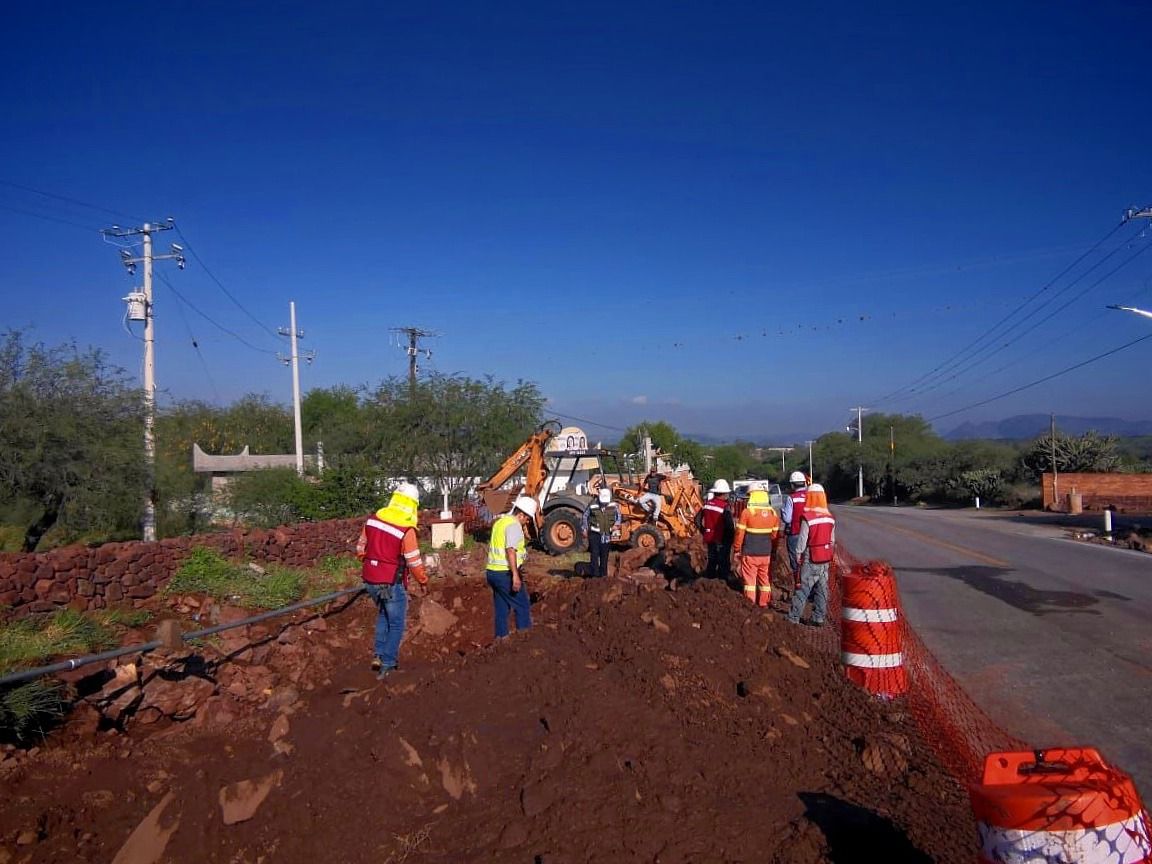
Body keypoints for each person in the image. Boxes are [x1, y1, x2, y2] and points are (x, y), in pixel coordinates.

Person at [355, 482, 427, 679]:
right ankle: (388, 662)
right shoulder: (406, 528)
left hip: (370, 578)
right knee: (396, 623)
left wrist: (372, 563)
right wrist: (422, 580)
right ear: (413, 505)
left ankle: (378, 654)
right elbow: (413, 561)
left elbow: (360, 548)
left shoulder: (373, 519)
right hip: (389, 582)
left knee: (383, 614)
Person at [486, 496, 537, 638]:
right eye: (527, 519)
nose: (527, 522)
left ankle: (501, 641)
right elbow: (510, 550)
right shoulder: (514, 526)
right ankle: (524, 641)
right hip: (505, 574)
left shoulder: (500, 522)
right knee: (522, 606)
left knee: (502, 609)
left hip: (492, 572)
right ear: (521, 514)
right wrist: (515, 575)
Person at [787, 483, 836, 627]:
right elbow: (832, 540)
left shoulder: (807, 517)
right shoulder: (830, 517)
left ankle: (793, 617)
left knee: (803, 589)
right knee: (822, 589)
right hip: (825, 557)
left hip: (811, 557)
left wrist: (798, 554)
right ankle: (818, 617)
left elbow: (802, 539)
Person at [732, 488, 780, 607]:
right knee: (764, 579)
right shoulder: (773, 514)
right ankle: (764, 603)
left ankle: (750, 604)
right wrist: (773, 551)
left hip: (750, 553)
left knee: (750, 581)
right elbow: (775, 537)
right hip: (766, 554)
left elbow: (739, 534)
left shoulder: (747, 513)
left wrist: (737, 549)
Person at [695, 479, 735, 580]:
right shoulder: (724, 507)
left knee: (712, 561)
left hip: (709, 539)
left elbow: (696, 520)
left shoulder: (707, 504)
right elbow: (730, 527)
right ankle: (722, 584)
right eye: (727, 493)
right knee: (723, 563)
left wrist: (704, 531)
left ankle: (709, 582)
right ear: (724, 493)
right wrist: (731, 541)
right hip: (722, 540)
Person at [582, 486, 621, 578]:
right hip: (594, 533)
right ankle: (594, 575)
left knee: (604, 555)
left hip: (607, 534)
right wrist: (584, 528)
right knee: (594, 554)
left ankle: (603, 576)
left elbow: (618, 516)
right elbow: (585, 516)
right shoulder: (592, 505)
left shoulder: (614, 506)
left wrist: (617, 524)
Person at [780, 471, 809, 588]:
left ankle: (799, 585)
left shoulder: (791, 498)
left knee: (796, 561)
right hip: (810, 534)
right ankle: (809, 587)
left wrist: (782, 512)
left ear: (792, 485)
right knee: (808, 561)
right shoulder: (811, 497)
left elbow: (787, 519)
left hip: (795, 533)